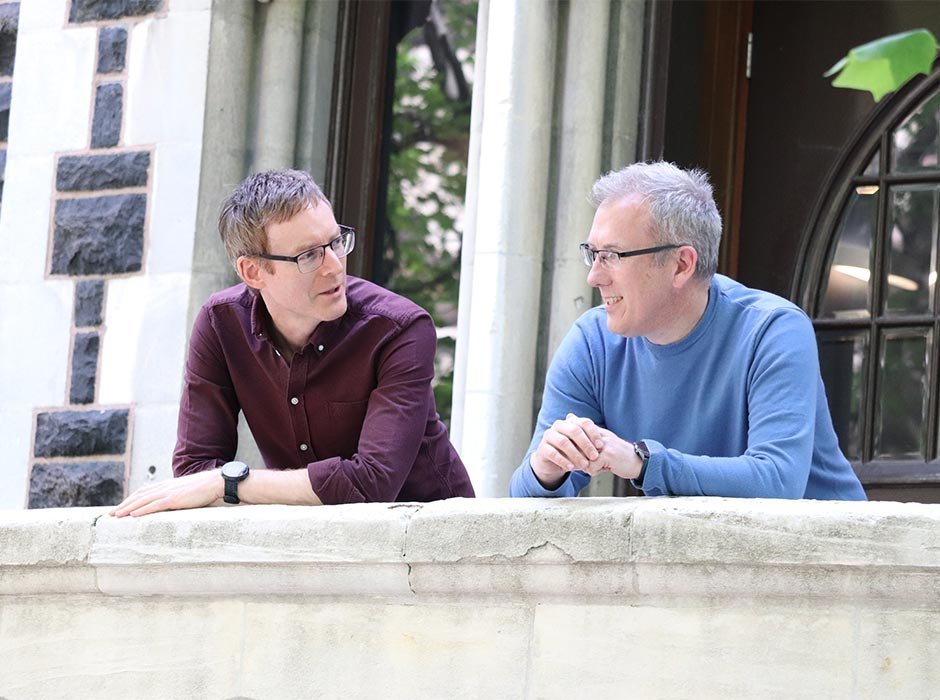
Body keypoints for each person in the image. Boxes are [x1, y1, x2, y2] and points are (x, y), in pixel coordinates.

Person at [112, 169, 474, 517]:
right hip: (308, 536)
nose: (335, 266)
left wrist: (231, 483)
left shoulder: (399, 329)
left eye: (336, 242)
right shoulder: (221, 324)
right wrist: (221, 484)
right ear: (253, 272)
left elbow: (372, 483)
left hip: (433, 539)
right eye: (309, 255)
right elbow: (195, 472)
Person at [510, 161, 866, 500]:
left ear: (681, 265)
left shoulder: (773, 330)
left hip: (827, 542)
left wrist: (643, 463)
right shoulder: (592, 343)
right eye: (593, 253)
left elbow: (777, 480)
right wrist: (547, 470)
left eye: (613, 256)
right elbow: (524, 502)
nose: (594, 276)